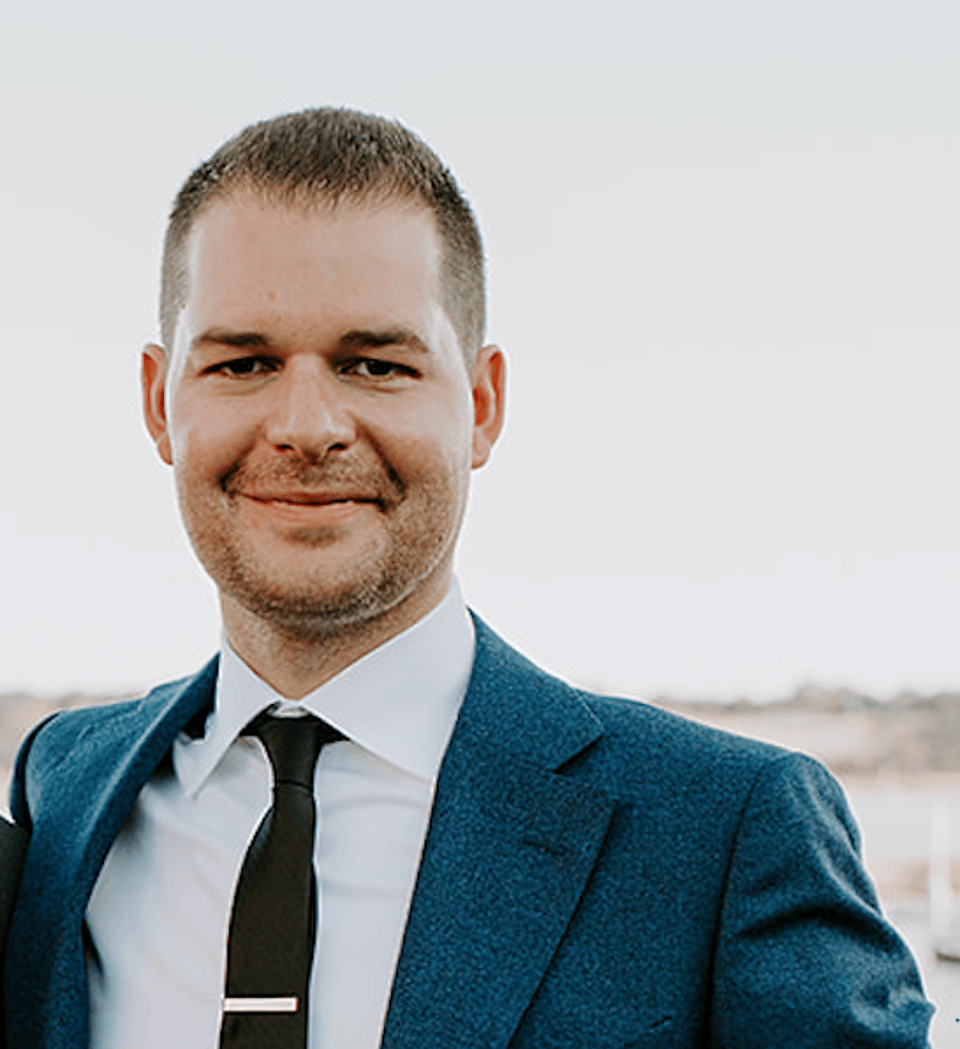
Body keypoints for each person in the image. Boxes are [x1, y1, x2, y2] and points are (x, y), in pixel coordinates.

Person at [4, 108, 933, 1049]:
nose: (308, 424)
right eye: (244, 362)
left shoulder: (724, 833)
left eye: (375, 362)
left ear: (482, 405)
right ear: (159, 404)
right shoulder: (65, 789)